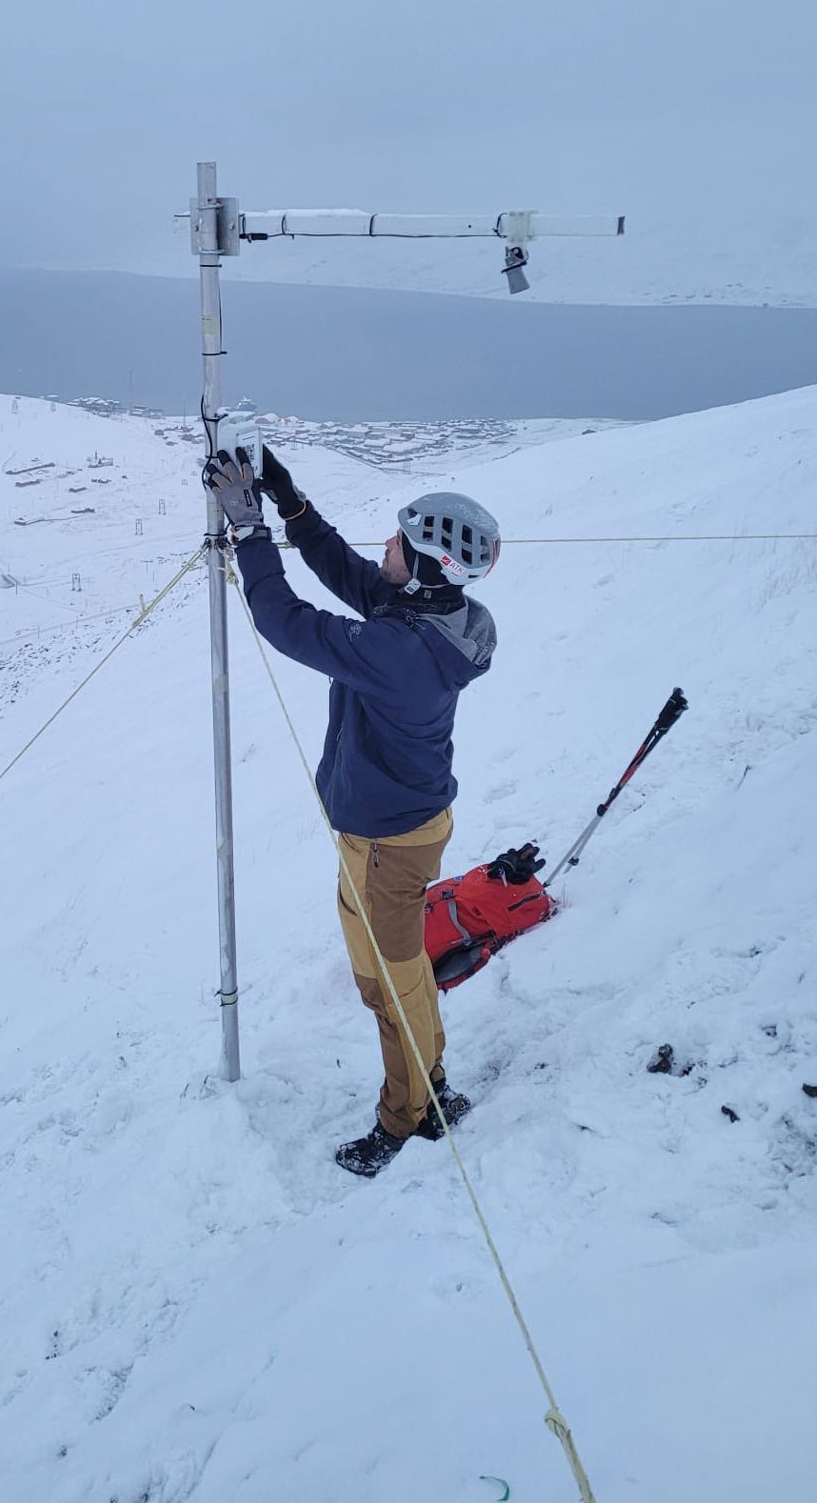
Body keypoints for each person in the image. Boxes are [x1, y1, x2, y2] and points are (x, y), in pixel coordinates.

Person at [202, 443, 500, 1178]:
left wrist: (248, 534)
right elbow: (343, 570)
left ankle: (409, 1119)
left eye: (400, 544)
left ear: (428, 566)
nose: (387, 549)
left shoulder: (401, 652)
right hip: (396, 830)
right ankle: (429, 1087)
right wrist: (284, 495)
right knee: (397, 979)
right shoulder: (430, 617)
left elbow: (289, 623)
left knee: (390, 986)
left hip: (386, 845)